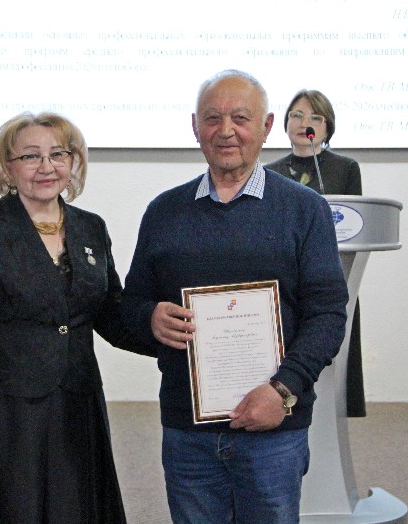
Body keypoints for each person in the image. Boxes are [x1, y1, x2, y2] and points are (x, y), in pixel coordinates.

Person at [121, 70, 349, 523]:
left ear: (266, 127)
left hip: (274, 428)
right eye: (212, 118)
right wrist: (149, 318)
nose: (225, 130)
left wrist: (282, 390)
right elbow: (130, 307)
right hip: (187, 429)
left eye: (240, 118)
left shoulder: (305, 209)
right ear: (195, 127)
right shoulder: (163, 212)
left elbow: (327, 315)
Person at [0, 111, 154, 523]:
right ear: (7, 168)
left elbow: (109, 314)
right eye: (31, 156)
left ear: (73, 162)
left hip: (77, 403)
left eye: (58, 154)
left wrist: (169, 334)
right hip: (6, 410)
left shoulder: (91, 227)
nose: (46, 167)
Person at [265, 89, 366, 417]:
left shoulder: (345, 168)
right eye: (296, 115)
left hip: (330, 275)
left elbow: (355, 222)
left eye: (314, 117)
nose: (303, 123)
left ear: (327, 127)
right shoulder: (268, 172)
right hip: (284, 278)